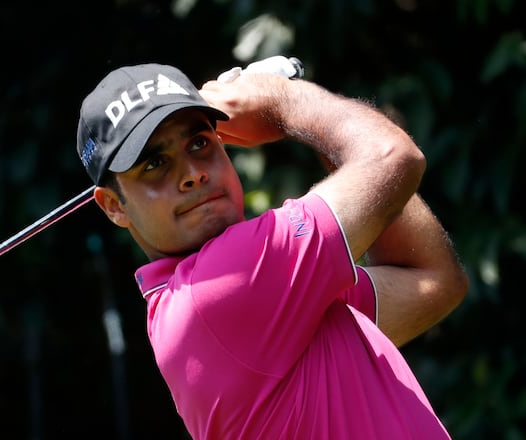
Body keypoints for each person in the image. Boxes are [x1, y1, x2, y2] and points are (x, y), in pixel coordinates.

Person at [75, 61, 468, 439]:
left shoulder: (268, 296)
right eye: (154, 163)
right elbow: (392, 157)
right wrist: (284, 100)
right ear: (113, 206)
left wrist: (309, 125)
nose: (193, 173)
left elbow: (433, 281)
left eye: (199, 143)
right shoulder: (218, 285)